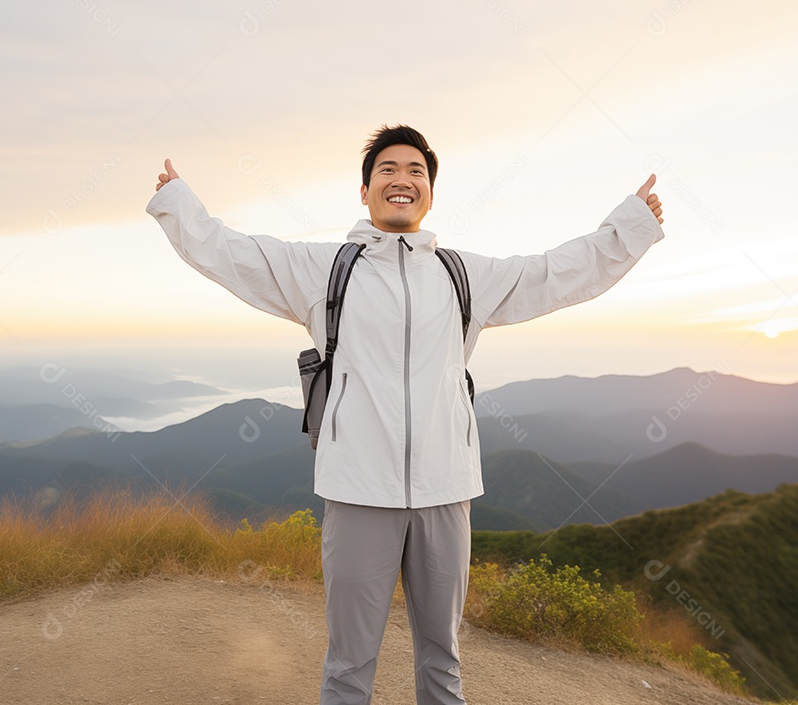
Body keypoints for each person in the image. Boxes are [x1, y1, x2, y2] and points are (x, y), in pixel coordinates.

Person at [147, 124, 665, 705]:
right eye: (388, 170)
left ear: (430, 194)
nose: (403, 179)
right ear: (365, 191)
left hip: (446, 491)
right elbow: (233, 252)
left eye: (416, 171)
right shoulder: (324, 269)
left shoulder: (462, 274)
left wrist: (631, 227)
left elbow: (553, 272)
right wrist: (179, 204)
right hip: (357, 490)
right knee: (348, 664)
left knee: (443, 660)